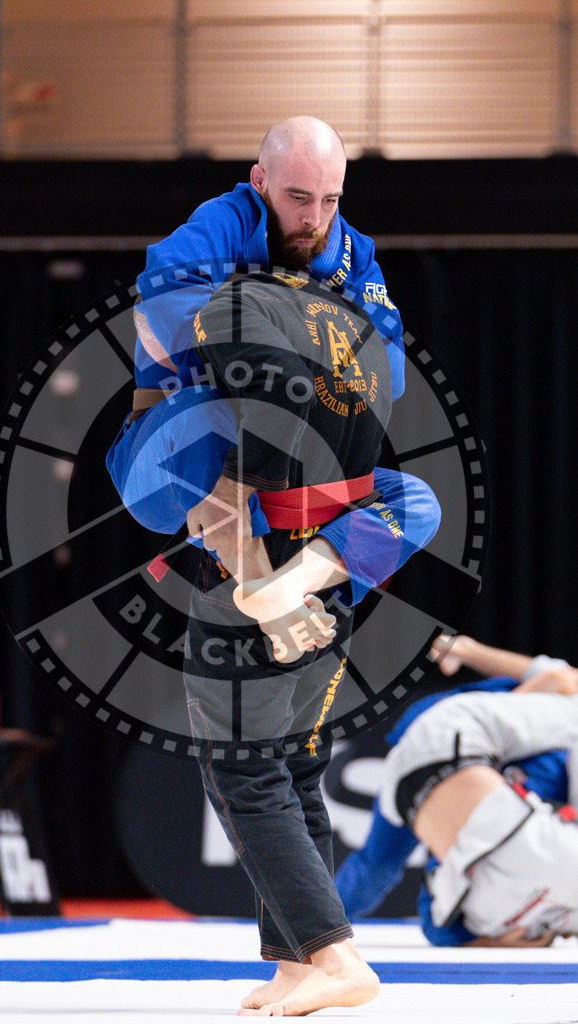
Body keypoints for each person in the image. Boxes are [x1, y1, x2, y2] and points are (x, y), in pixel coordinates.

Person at [106, 116, 440, 652]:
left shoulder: (354, 253)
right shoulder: (224, 223)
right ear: (260, 181)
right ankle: (262, 587)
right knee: (209, 414)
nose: (314, 219)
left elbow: (388, 378)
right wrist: (280, 347)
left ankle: (287, 587)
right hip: (168, 463)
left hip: (288, 468)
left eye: (330, 200)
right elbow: (155, 322)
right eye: (299, 197)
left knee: (417, 503)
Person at [181, 267, 397, 1016]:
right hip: (331, 575)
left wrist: (266, 606)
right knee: (296, 771)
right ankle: (297, 962)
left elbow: (218, 509)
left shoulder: (236, 338)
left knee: (245, 773)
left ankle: (334, 956)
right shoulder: (355, 341)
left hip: (260, 581)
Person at [335, 634, 578, 946]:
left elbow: (556, 676)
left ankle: (315, 931)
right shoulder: (550, 746)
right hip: (450, 739)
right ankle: (316, 930)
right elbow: (558, 677)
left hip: (437, 746)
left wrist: (469, 651)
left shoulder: (548, 749)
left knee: (382, 865)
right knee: (394, 869)